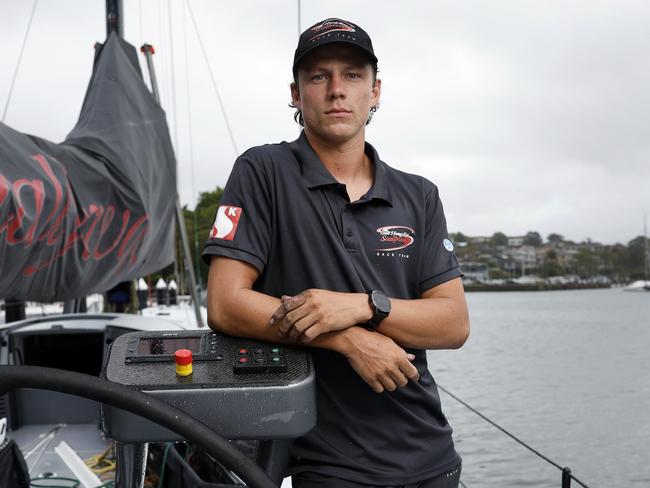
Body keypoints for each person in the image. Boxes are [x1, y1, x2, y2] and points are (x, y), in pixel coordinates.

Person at [203, 18, 470, 488]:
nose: (336, 90)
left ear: (376, 90)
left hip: (431, 456)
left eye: (351, 75)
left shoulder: (420, 194)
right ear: (295, 92)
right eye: (318, 76)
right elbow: (226, 304)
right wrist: (347, 340)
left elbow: (453, 324)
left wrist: (361, 306)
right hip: (327, 465)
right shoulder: (262, 171)